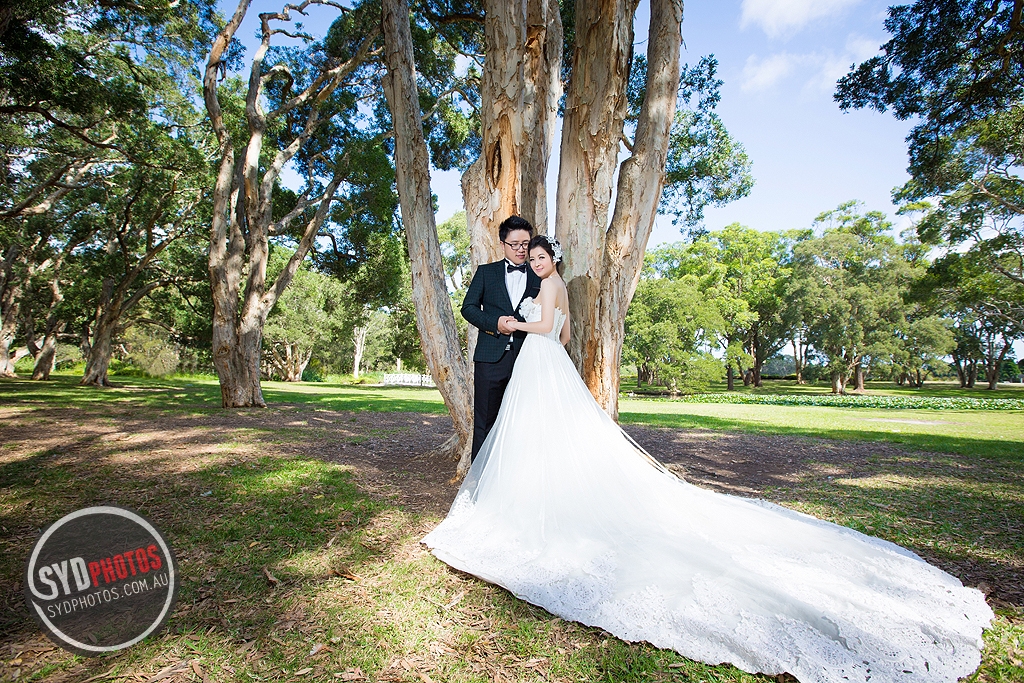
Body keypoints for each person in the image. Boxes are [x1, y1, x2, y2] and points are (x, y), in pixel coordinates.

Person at [424, 235, 993, 683]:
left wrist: (517, 324)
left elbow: (551, 329)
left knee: (543, 431)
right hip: (542, 364)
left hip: (538, 359)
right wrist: (532, 334)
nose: (536, 262)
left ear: (551, 259)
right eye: (531, 256)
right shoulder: (546, 284)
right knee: (540, 434)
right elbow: (564, 337)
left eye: (541, 256)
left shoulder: (549, 288)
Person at [461, 215, 541, 460]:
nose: (521, 249)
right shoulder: (486, 273)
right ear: (502, 244)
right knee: (485, 423)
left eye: (525, 243)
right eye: (514, 244)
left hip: (528, 359)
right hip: (490, 359)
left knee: (525, 424)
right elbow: (468, 308)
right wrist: (494, 324)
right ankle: (480, 479)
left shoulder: (540, 275)